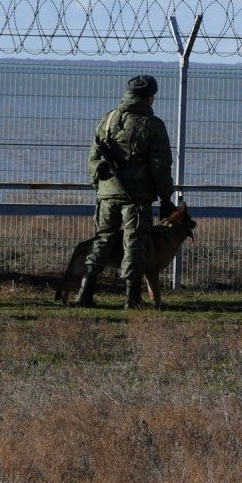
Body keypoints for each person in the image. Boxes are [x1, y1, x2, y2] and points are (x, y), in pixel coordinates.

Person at [76, 74, 175, 309]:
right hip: (136, 196)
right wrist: (166, 198)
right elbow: (161, 166)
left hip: (107, 194)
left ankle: (85, 291)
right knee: (135, 244)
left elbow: (93, 159)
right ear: (150, 97)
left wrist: (99, 187)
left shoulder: (108, 119)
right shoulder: (152, 124)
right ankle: (131, 297)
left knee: (102, 240)